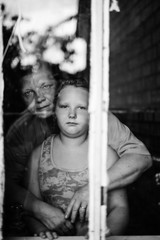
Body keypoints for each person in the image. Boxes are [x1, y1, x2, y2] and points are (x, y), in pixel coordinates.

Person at [4, 60, 152, 235]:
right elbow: (5, 183)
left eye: (45, 86)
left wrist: (94, 188)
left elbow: (140, 157)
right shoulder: (21, 134)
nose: (39, 98)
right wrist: (38, 210)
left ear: (58, 83)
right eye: (29, 92)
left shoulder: (96, 117)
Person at [24, 78, 129, 238]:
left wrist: (107, 231)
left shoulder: (105, 155)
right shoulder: (39, 155)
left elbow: (119, 207)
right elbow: (31, 207)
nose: (72, 114)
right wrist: (41, 230)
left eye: (81, 107)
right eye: (64, 106)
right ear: (54, 111)